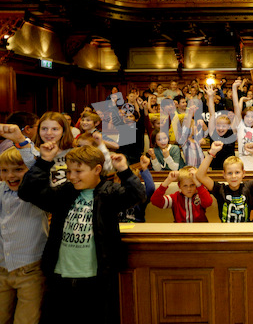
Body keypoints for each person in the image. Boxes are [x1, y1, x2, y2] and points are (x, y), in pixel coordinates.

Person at [18, 144, 145, 324]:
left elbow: (137, 195)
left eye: (78, 171)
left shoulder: (109, 192)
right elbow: (28, 192)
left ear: (97, 169)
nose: (72, 176)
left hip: (96, 278)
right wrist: (45, 162)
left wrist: (124, 170)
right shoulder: (65, 191)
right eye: (69, 171)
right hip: (61, 276)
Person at [0, 125, 48, 324]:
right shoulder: (1, 189)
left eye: (18, 170)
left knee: (26, 320)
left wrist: (20, 140)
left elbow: (38, 166)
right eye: (4, 171)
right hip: (2, 268)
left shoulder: (37, 190)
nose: (11, 175)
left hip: (30, 271)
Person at [196, 142, 253, 223]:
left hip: (245, 230)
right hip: (226, 231)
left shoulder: (248, 187)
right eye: (230, 173)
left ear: (243, 173)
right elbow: (200, 175)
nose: (234, 176)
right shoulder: (220, 189)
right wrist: (212, 153)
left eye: (237, 172)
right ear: (224, 175)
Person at [32, 111, 75, 187]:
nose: (48, 133)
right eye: (44, 128)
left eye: (55, 129)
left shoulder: (74, 152)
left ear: (64, 131)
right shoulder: (33, 152)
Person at [205, 84, 236, 170]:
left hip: (230, 167)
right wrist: (210, 97)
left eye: (224, 126)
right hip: (216, 168)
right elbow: (212, 114)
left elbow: (237, 111)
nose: (221, 128)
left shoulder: (231, 132)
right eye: (218, 125)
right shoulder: (213, 132)